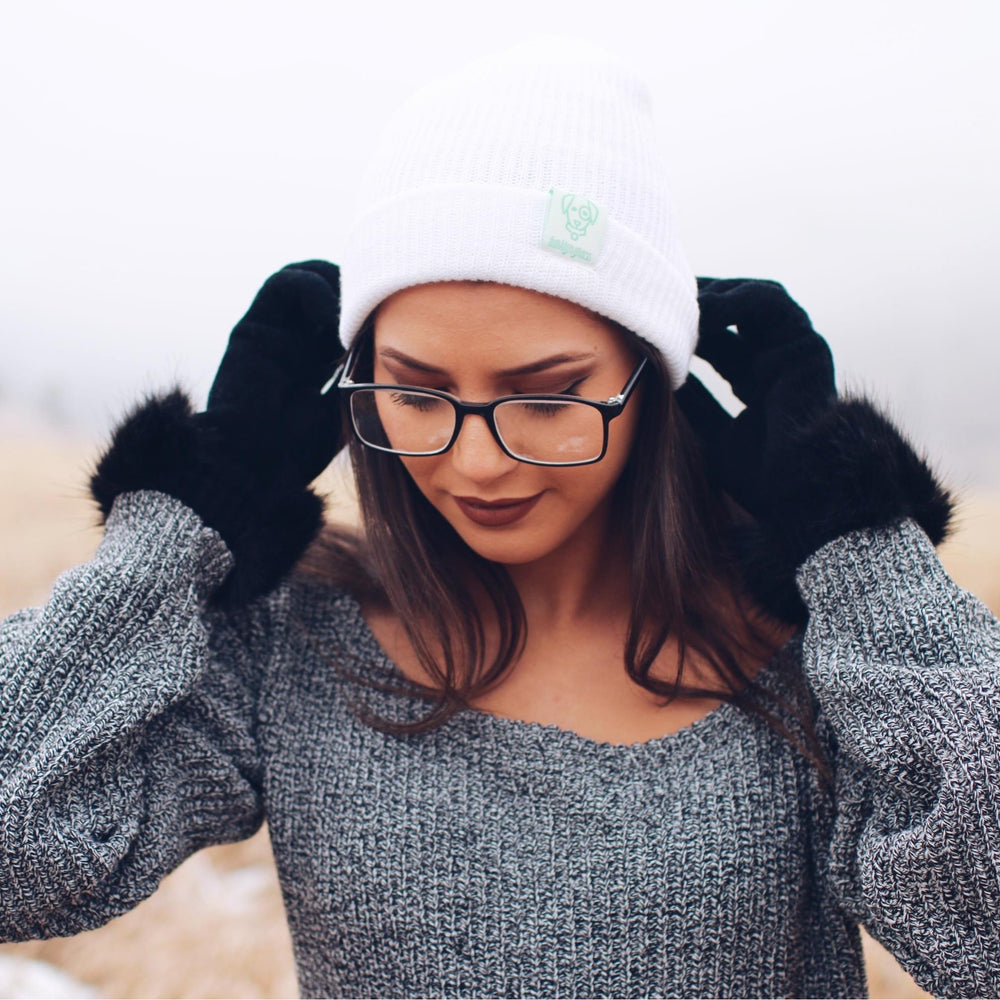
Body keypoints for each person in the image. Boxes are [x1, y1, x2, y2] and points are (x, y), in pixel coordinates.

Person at [2, 38, 999, 1000]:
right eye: (416, 391)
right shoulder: (289, 647)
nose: (475, 461)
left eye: (548, 395)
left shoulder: (818, 657)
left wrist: (855, 544)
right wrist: (181, 523)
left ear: (652, 386)